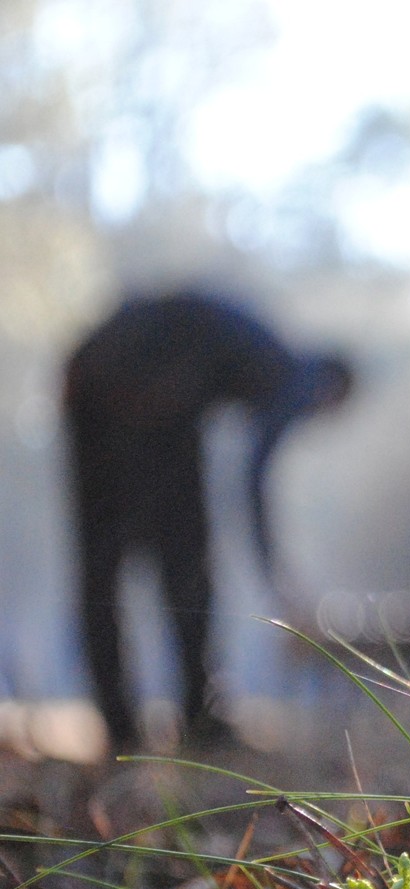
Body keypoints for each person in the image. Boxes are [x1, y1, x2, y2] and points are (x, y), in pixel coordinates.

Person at [62, 291, 353, 754]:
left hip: (100, 378)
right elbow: (253, 476)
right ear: (331, 390)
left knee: (106, 562)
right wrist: (275, 576)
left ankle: (127, 723)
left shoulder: (260, 351)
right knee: (178, 563)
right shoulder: (297, 378)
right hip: (142, 395)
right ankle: (193, 717)